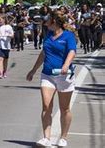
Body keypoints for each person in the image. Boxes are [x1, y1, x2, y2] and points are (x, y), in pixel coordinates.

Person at [27, 11, 77, 148]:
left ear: (54, 21)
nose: (45, 22)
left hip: (64, 76)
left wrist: (66, 65)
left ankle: (63, 137)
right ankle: (46, 138)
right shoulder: (48, 36)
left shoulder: (68, 36)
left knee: (64, 108)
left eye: (47, 20)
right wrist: (33, 70)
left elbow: (72, 51)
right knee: (46, 106)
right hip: (47, 75)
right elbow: (43, 53)